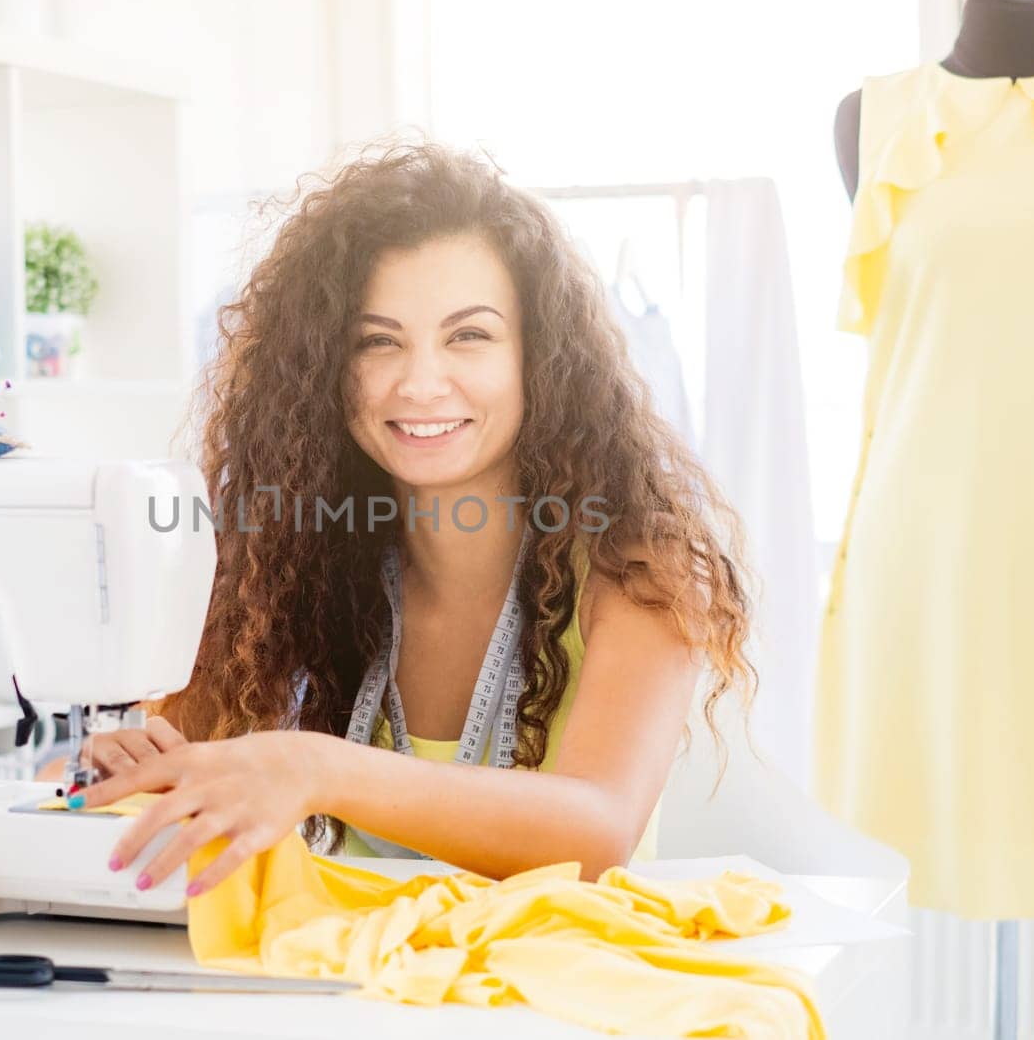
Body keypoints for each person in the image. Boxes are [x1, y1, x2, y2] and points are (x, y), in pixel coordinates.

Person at [47, 141, 756, 899]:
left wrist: (318, 767)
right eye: (377, 341)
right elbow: (141, 765)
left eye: (469, 336)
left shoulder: (641, 568)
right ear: (324, 365)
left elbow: (596, 829)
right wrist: (114, 772)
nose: (418, 383)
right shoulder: (287, 558)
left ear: (539, 357)